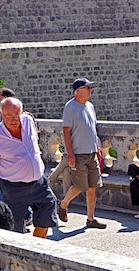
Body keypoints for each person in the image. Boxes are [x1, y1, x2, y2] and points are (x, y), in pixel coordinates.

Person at [0, 97, 57, 237]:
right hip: (13, 188)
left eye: (17, 115)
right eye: (8, 116)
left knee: (47, 213)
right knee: (13, 227)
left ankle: (35, 248)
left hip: (39, 182)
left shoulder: (28, 121)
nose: (14, 119)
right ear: (1, 115)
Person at [57, 78, 107, 229]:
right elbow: (66, 131)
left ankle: (90, 218)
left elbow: (91, 129)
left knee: (93, 185)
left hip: (92, 152)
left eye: (90, 88)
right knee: (80, 186)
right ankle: (64, 204)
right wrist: (70, 154)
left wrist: (97, 148)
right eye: (87, 88)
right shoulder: (70, 107)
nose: (90, 90)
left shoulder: (90, 106)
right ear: (77, 91)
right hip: (78, 153)